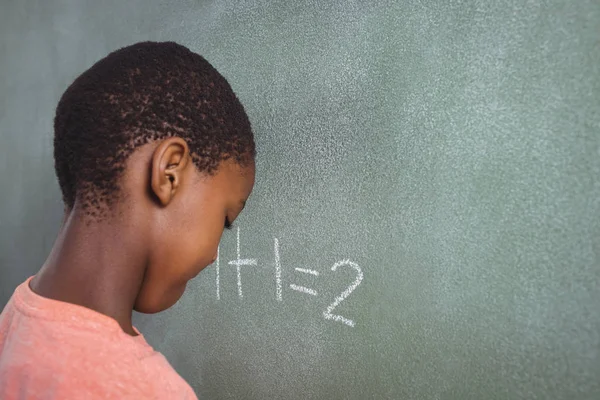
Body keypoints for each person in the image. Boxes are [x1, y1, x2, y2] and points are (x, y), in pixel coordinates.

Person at [0, 41, 256, 399]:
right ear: (169, 173)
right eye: (225, 219)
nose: (215, 253)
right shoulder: (148, 391)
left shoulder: (13, 324)